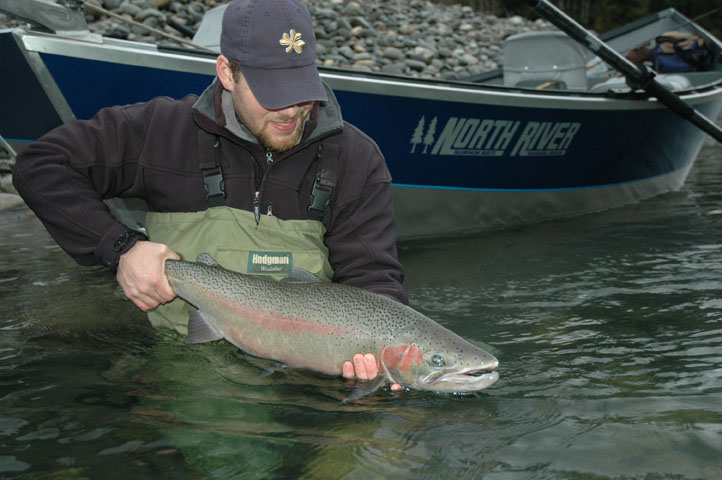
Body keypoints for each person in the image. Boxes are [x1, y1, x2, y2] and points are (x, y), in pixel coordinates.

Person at [13, 0, 407, 387]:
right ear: (227, 73)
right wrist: (121, 247)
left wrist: (383, 357)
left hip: (307, 374)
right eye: (273, 92)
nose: (292, 111)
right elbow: (41, 166)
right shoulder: (160, 131)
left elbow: (371, 278)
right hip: (189, 360)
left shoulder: (356, 158)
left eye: (302, 89)